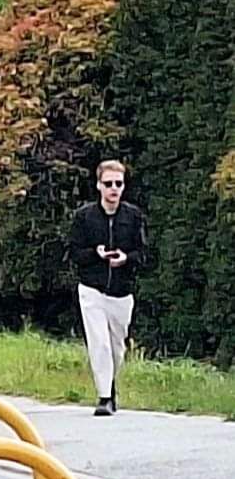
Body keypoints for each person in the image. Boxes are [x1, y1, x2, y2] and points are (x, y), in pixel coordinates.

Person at [66, 160, 147, 416]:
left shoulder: (133, 216)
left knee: (116, 346)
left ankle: (110, 385)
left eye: (118, 184)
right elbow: (74, 253)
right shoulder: (84, 217)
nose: (114, 189)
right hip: (92, 289)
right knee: (99, 343)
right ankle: (104, 397)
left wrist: (125, 258)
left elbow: (143, 254)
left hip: (122, 292)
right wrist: (96, 254)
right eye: (108, 183)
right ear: (99, 185)